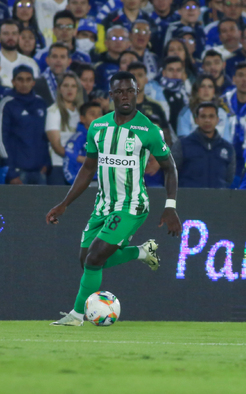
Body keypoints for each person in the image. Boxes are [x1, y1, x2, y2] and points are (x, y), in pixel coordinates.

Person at [46, 71, 182, 326]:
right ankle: (141, 252)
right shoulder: (98, 127)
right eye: (119, 91)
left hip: (132, 205)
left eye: (130, 90)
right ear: (111, 96)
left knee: (95, 258)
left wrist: (170, 205)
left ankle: (76, 316)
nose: (125, 96)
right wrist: (64, 203)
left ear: (137, 93)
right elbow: (88, 168)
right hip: (103, 205)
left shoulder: (148, 130)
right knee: (85, 258)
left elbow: (169, 167)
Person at [0, 65, 50, 185]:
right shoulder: (6, 104)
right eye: (20, 79)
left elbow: (46, 136)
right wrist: (11, 172)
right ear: (13, 82)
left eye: (28, 79)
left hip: (40, 171)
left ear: (33, 82)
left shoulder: (41, 103)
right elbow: (1, 139)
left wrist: (47, 164)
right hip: (18, 172)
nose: (24, 83)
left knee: (43, 204)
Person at [173, 101, 236, 188]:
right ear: (196, 120)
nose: (207, 120)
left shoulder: (227, 148)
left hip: (218, 200)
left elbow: (229, 178)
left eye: (211, 116)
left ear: (217, 120)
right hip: (189, 199)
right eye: (203, 116)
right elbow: (171, 173)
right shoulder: (182, 145)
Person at [45, 71, 84, 185]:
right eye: (66, 86)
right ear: (59, 89)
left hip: (77, 168)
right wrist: (80, 159)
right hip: (59, 166)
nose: (69, 89)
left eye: (73, 86)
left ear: (78, 89)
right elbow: (56, 146)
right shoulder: (54, 111)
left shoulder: (80, 112)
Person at [177, 74, 229, 139]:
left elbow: (227, 141)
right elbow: (183, 142)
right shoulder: (186, 113)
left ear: (214, 91)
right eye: (202, 86)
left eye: (210, 86)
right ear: (196, 91)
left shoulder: (222, 113)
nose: (206, 90)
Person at [63, 101, 103, 184]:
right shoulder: (77, 138)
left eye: (99, 114)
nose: (97, 117)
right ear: (82, 118)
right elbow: (69, 161)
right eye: (92, 114)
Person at [0, 20, 40, 88]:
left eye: (14, 33)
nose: (10, 37)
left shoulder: (30, 63)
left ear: (19, 36)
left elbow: (35, 89)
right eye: (6, 33)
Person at [34, 43, 72, 108]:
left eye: (62, 57)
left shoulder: (75, 83)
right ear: (47, 60)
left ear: (69, 61)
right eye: (55, 56)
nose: (58, 60)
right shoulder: (36, 84)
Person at [95, 26, 130, 91]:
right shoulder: (98, 65)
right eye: (114, 38)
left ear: (128, 43)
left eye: (122, 38)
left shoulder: (133, 63)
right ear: (106, 43)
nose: (118, 42)